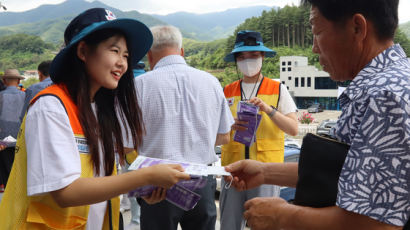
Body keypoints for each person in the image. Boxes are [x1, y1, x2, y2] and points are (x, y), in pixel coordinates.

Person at [225, 0, 410, 229]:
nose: (314, 47)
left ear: (357, 28)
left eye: (317, 32)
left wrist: (283, 215)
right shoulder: (388, 83)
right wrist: (264, 171)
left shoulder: (382, 97)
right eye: (241, 57)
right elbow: (349, 172)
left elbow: (377, 223)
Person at [0, 8, 191, 230]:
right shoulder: (50, 108)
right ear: (83, 51)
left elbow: (98, 178)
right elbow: (64, 192)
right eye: (114, 50)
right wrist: (145, 177)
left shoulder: (99, 110)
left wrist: (143, 190)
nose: (122, 62)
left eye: (126, 55)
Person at [125, 25, 234, 230]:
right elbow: (224, 137)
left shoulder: (138, 86)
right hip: (202, 179)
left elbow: (124, 146)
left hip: (157, 183)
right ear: (182, 51)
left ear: (149, 56)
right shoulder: (211, 82)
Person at [219, 30, 298, 230]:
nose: (248, 61)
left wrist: (268, 110)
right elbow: (215, 135)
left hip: (266, 172)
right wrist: (229, 127)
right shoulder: (227, 90)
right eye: (242, 57)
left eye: (253, 55)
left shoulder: (278, 88)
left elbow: (293, 129)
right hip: (232, 172)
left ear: (262, 56)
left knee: (265, 225)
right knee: (229, 225)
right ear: (236, 60)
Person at [120, 60, 146, 230]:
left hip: (130, 151)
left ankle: (136, 220)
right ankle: (137, 218)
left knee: (133, 186)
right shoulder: (147, 85)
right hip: (146, 150)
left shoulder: (124, 89)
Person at [0, 69, 25, 195]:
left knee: (5, 169)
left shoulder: (0, 95)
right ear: (19, 81)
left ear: (4, 81)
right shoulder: (26, 95)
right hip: (21, 139)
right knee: (20, 169)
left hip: (3, 140)